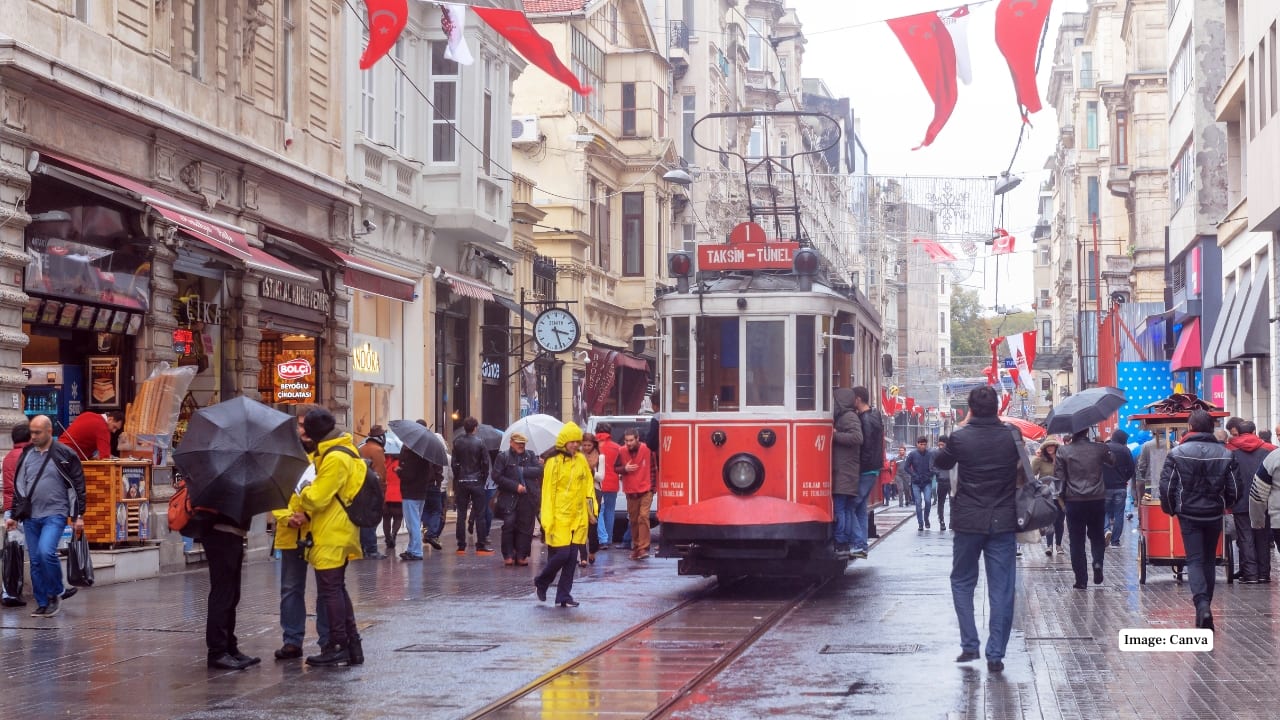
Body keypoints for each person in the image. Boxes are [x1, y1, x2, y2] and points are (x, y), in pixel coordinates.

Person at [932, 386, 1023, 673]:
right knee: (1002, 588)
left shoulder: (960, 438)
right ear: (997, 407)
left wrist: (957, 433)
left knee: (962, 581)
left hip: (968, 520)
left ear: (970, 409)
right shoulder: (1012, 436)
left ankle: (970, 643)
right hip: (1003, 520)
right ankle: (995, 654)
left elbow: (940, 462)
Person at [291, 408, 364, 666]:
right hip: (338, 528)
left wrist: (304, 491)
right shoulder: (344, 451)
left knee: (330, 590)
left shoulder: (334, 458)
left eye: (305, 428)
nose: (302, 432)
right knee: (337, 588)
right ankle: (352, 644)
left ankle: (337, 645)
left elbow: (318, 498)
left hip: (332, 530)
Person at [1159, 409, 1239, 630]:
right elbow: (1234, 487)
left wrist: (1171, 509)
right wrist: (1225, 504)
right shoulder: (1226, 454)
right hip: (1213, 513)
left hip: (1188, 514)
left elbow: (1167, 486)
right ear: (1211, 428)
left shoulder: (1177, 453)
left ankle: (1202, 605)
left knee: (1194, 560)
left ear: (1191, 427)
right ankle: (1205, 607)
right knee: (1209, 559)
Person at [6, 415, 85, 619]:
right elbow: (19, 487)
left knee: (46, 552)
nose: (33, 436)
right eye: (31, 432)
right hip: (30, 516)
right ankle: (42, 603)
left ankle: (56, 592)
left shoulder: (65, 454)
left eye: (37, 432)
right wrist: (14, 515)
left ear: (49, 431)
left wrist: (78, 515)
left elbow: (78, 486)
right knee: (35, 561)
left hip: (55, 513)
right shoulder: (27, 454)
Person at [271, 426, 330, 661]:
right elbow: (275, 493)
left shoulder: (325, 459)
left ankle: (326, 639)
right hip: (290, 533)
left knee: (325, 588)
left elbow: (329, 494)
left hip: (318, 532)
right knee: (290, 589)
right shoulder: (284, 461)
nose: (303, 431)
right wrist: (287, 517)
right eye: (301, 425)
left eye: (308, 425)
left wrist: (307, 515)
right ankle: (292, 641)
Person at [534, 422, 593, 607]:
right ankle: (542, 581)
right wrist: (547, 520)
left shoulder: (581, 460)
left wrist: (592, 511)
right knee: (562, 555)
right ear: (564, 441)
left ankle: (564, 596)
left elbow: (588, 487)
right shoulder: (553, 462)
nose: (575, 445)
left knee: (571, 559)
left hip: (577, 517)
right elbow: (548, 493)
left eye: (577, 441)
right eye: (572, 441)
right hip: (558, 517)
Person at [1055, 428, 1113, 589]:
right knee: (1097, 535)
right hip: (1096, 499)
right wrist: (1103, 446)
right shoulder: (1099, 448)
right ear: (1087, 431)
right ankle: (1097, 562)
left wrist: (1061, 499)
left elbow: (1059, 478)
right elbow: (1113, 461)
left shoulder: (1063, 451)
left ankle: (1081, 580)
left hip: (1074, 501)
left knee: (1076, 540)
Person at [1225, 421, 1274, 583]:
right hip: (1264, 500)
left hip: (1240, 500)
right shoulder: (1269, 450)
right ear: (1254, 431)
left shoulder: (1230, 450)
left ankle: (1250, 574)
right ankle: (1264, 574)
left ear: (1238, 432)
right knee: (1263, 536)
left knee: (1245, 536)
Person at [492, 432, 544, 567]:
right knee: (509, 524)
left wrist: (522, 471)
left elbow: (539, 470)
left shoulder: (530, 455)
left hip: (528, 497)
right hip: (510, 497)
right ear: (511, 443)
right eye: (518, 443)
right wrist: (515, 486)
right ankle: (508, 555)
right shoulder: (503, 457)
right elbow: (496, 476)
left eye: (523, 443)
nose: (521, 445)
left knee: (525, 527)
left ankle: (521, 555)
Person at [849, 387, 883, 560]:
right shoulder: (875, 415)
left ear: (858, 399)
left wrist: (858, 466)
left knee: (849, 507)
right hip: (873, 468)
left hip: (866, 469)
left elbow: (866, 446)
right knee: (861, 508)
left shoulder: (865, 419)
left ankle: (859, 544)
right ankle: (861, 545)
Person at [831, 388, 864, 558]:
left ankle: (841, 542)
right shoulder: (846, 416)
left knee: (841, 509)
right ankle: (846, 542)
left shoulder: (849, 417)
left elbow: (857, 438)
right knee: (844, 508)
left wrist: (835, 436)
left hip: (845, 472)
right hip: (845, 471)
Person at [451, 417, 492, 555]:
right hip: (476, 481)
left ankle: (461, 545)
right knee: (480, 514)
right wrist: (483, 478)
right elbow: (485, 463)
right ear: (475, 428)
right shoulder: (480, 442)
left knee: (461, 514)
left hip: (462, 481)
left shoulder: (457, 442)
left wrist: (458, 477)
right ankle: (480, 544)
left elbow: (454, 463)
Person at [1, 422, 31, 607]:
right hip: (22, 511)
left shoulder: (8, 457)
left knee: (11, 553)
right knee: (28, 552)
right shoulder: (27, 456)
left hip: (9, 510)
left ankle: (9, 592)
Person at [615, 428, 654, 560]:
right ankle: (637, 547)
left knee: (643, 517)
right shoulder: (621, 451)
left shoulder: (647, 449)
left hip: (646, 489)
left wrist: (652, 488)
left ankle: (643, 547)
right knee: (633, 520)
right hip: (631, 491)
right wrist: (624, 469)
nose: (628, 443)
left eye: (631, 440)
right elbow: (615, 468)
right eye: (626, 441)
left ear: (637, 439)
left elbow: (654, 468)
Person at [1030, 437, 1065, 557]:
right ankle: (1049, 545)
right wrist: (1036, 458)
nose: (1050, 448)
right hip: (1046, 495)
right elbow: (1032, 473)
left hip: (1060, 496)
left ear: (1056, 447)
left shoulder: (1062, 459)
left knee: (1060, 521)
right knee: (1050, 521)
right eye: (1047, 446)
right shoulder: (1041, 460)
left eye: (1052, 446)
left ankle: (1059, 545)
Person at [358, 426, 388, 559]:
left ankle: (362, 547)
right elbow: (381, 473)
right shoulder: (378, 450)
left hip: (360, 488)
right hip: (373, 489)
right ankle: (371, 549)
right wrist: (382, 491)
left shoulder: (361, 448)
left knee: (363, 519)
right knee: (371, 519)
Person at [1101, 429, 1135, 547]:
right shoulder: (1125, 450)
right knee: (1119, 514)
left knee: (1104, 511)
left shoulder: (1104, 448)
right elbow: (1131, 468)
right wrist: (1124, 478)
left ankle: (1106, 529)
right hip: (1120, 486)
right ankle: (1115, 541)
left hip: (1105, 486)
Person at [594, 423, 622, 550]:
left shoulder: (593, 446)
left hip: (597, 483)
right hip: (612, 483)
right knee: (610, 511)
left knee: (598, 511)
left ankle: (602, 538)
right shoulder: (616, 447)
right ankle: (609, 538)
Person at [59, 410, 124, 461]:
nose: (114, 431)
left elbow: (82, 437)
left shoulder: (88, 414)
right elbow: (105, 458)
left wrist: (91, 457)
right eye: (114, 427)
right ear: (110, 419)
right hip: (68, 456)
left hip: (58, 449)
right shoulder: (103, 428)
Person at [905, 437, 935, 531]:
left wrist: (930, 474)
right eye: (921, 444)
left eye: (924, 444)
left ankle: (926, 518)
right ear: (917, 444)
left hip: (927, 482)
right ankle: (920, 523)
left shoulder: (930, 454)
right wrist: (914, 475)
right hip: (916, 482)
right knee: (918, 503)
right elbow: (906, 467)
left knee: (928, 501)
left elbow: (934, 466)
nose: (923, 446)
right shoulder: (912, 454)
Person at [1135, 431, 1170, 500]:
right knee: (1167, 503)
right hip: (1168, 483)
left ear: (1152, 433)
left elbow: (1142, 466)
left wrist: (1145, 476)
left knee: (1150, 503)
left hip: (1150, 483)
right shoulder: (1172, 444)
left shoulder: (1146, 445)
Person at [382, 449, 403, 556]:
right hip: (399, 495)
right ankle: (394, 534)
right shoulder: (401, 464)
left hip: (387, 495)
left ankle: (387, 538)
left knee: (386, 519)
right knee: (398, 518)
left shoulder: (385, 462)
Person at [932, 435, 953, 531]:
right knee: (941, 502)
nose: (940, 447)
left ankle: (952, 521)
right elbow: (932, 466)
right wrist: (938, 473)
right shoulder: (935, 453)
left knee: (953, 502)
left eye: (942, 445)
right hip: (941, 481)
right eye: (939, 444)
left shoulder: (952, 453)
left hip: (951, 481)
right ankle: (941, 521)